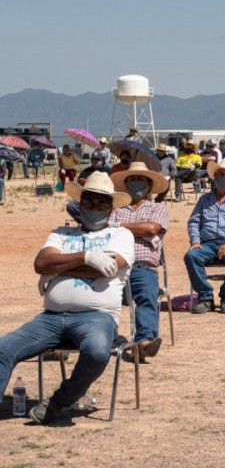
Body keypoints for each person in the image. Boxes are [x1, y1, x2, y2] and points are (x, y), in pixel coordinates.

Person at [0, 172, 134, 424]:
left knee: (96, 352)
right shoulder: (61, 232)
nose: (95, 207)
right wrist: (85, 256)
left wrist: (58, 268)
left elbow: (106, 268)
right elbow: (41, 262)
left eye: (102, 203)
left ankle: (59, 401)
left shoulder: (122, 235)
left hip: (96, 317)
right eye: (90, 201)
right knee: (3, 348)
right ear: (80, 205)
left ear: (111, 209)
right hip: (50, 318)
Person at [110, 162, 170, 356]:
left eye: (141, 179)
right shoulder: (115, 208)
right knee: (98, 296)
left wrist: (119, 227)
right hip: (113, 264)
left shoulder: (158, 208)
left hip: (142, 266)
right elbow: (105, 231)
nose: (136, 183)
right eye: (132, 179)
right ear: (125, 185)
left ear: (150, 186)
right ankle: (105, 336)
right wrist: (139, 229)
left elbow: (152, 229)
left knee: (146, 294)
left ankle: (144, 341)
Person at [184, 159, 225, 314]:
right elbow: (194, 221)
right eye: (221, 174)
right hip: (206, 243)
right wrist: (195, 240)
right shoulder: (204, 199)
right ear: (214, 175)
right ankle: (205, 298)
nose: (224, 177)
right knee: (191, 256)